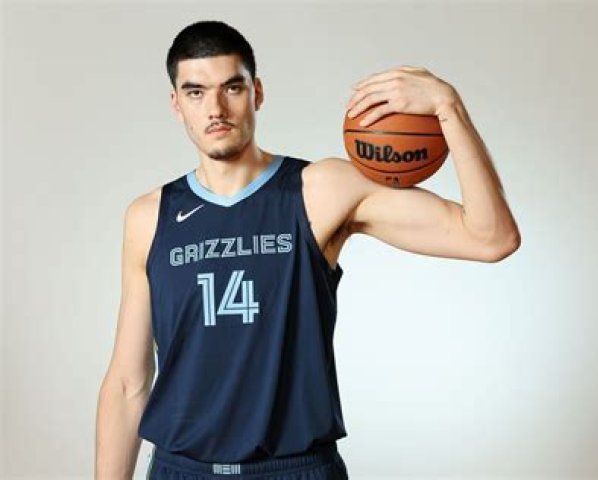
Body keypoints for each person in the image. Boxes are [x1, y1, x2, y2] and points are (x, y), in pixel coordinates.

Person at [94, 19, 520, 480]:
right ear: (177, 104)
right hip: (182, 470)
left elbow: (491, 237)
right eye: (195, 92)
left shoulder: (321, 190)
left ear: (257, 92)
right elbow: (128, 384)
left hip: (296, 468)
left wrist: (448, 107)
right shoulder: (150, 216)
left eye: (231, 87)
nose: (215, 108)